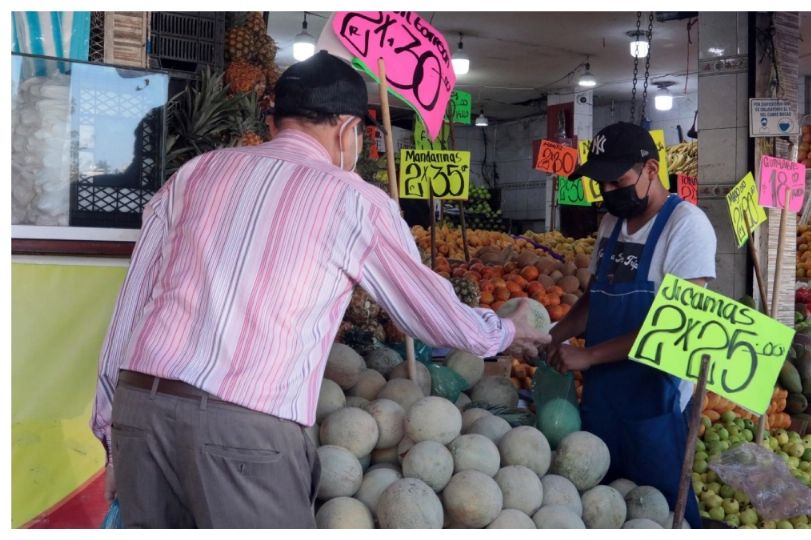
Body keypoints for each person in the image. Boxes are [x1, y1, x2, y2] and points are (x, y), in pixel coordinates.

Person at [90, 50, 550, 528]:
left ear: (274, 121)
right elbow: (429, 313)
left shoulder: (194, 174)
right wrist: (500, 333)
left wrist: (110, 431)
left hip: (140, 408)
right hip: (243, 433)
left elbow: (132, 304)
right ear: (349, 130)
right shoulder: (354, 200)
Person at [546, 122, 717, 528]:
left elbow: (678, 325)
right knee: (603, 510)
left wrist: (588, 355)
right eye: (601, 183)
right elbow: (595, 296)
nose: (608, 192)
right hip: (602, 396)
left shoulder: (687, 226)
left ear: (650, 170)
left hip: (655, 402)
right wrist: (552, 335)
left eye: (617, 180)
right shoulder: (610, 224)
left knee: (658, 513)